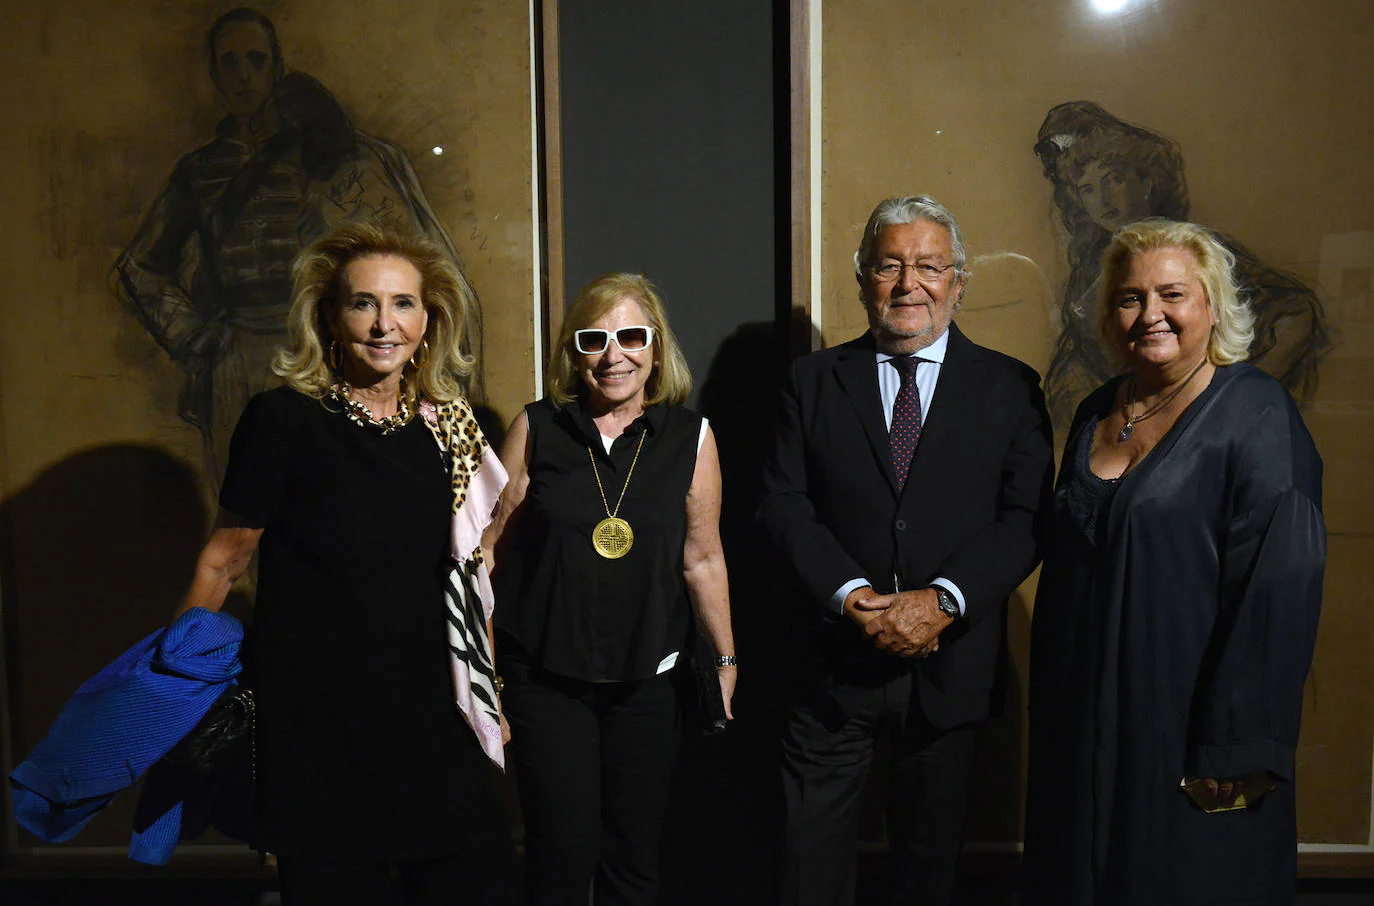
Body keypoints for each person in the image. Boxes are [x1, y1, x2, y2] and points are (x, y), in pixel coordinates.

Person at [172, 219, 511, 904]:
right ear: (330, 316)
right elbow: (224, 560)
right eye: (363, 303)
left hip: (435, 716)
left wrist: (490, 689)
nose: (384, 324)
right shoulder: (283, 420)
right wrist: (173, 683)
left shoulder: (454, 425)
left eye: (404, 304)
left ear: (428, 319)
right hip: (318, 723)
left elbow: (473, 576)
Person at [756, 195, 1054, 906]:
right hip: (833, 664)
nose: (907, 284)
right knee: (809, 871)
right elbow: (781, 504)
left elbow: (1026, 518)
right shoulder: (809, 382)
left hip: (951, 665)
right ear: (862, 279)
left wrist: (942, 601)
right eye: (889, 265)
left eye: (927, 266)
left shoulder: (1011, 388)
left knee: (929, 871)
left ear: (959, 281)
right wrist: (852, 597)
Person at [1022, 219, 1326, 905]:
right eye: (1130, 298)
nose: (1149, 314)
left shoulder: (1256, 412)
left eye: (1172, 294)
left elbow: (1279, 586)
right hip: (1084, 720)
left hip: (1191, 722)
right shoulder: (1100, 409)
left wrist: (1238, 742)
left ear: (1212, 306)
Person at [113, 7, 475, 483]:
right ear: (215, 74)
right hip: (236, 354)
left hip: (322, 348)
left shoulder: (325, 152)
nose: (244, 76)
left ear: (277, 67)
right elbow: (140, 265)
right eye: (230, 63)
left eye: (256, 61)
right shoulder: (200, 171)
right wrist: (196, 337)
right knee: (244, 495)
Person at [486, 273, 736, 905]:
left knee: (635, 857)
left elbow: (703, 558)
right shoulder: (537, 428)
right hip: (545, 678)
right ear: (575, 351)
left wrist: (726, 659)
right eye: (595, 339)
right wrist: (483, 666)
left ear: (656, 349)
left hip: (649, 683)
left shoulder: (691, 437)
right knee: (560, 853)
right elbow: (487, 553)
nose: (613, 354)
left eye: (631, 336)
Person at [1033, 100, 1330, 427]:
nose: (1102, 199)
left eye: (1113, 180)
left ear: (1145, 182)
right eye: (1087, 189)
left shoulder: (1193, 252)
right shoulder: (1091, 270)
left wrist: (1232, 397)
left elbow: (1297, 313)